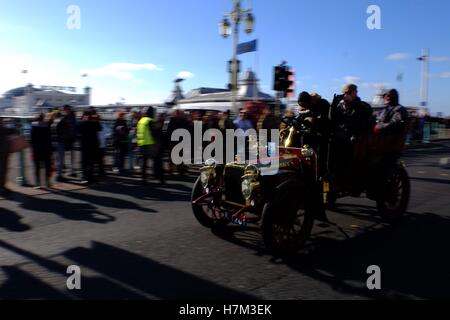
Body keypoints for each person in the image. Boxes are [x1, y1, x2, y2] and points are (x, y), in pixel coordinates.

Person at [329, 84, 373, 192]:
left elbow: (365, 115)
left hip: (355, 138)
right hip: (340, 137)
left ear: (354, 93)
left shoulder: (362, 106)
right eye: (345, 93)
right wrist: (333, 105)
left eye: (349, 93)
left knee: (344, 152)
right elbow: (332, 119)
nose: (346, 95)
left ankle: (346, 181)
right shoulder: (340, 106)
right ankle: (332, 177)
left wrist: (352, 103)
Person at [31, 114, 53, 188]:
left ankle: (38, 183)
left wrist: (33, 151)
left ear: (37, 119)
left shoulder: (34, 128)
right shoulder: (47, 127)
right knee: (47, 166)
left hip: (37, 150)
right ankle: (48, 182)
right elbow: (49, 139)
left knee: (37, 167)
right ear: (43, 119)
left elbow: (32, 141)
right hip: (46, 150)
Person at [137, 106, 157, 184]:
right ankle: (153, 176)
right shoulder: (150, 120)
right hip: (149, 144)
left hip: (141, 144)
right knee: (154, 161)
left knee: (144, 162)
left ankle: (143, 178)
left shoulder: (141, 120)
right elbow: (154, 133)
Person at [0, 118, 16, 196]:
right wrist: (12, 121)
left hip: (4, 152)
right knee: (3, 170)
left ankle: (2, 186)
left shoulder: (4, 128)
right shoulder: (4, 129)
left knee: (3, 170)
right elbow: (13, 130)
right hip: (3, 152)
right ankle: (2, 187)